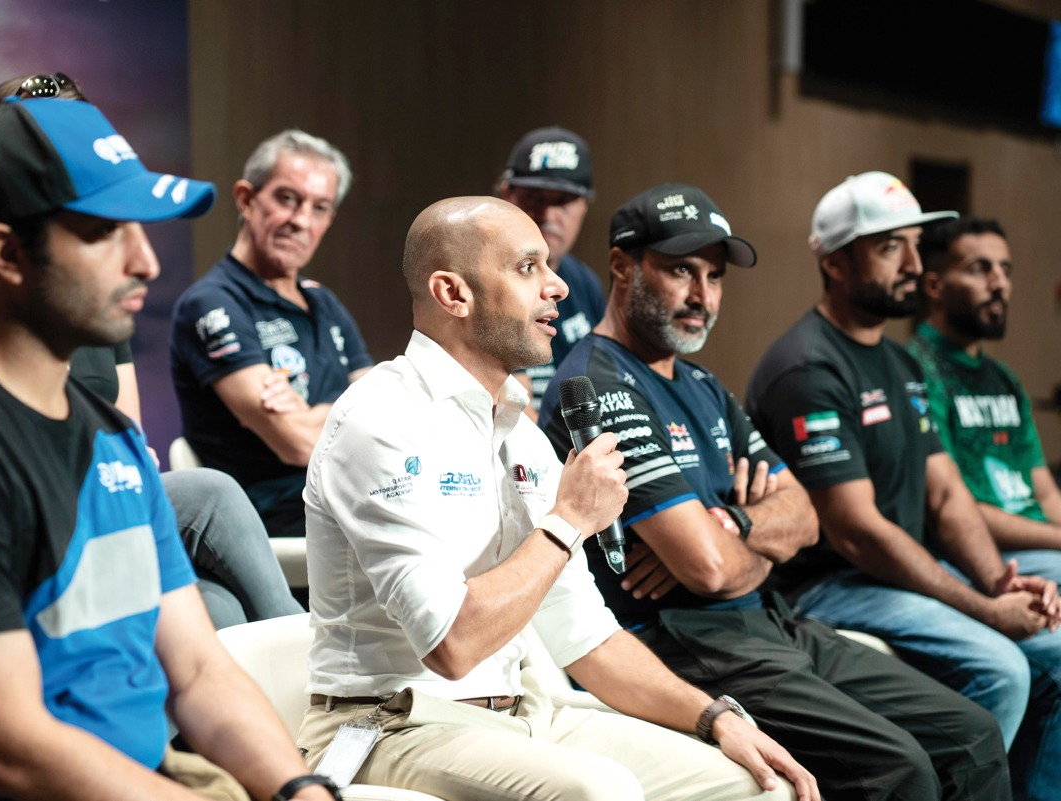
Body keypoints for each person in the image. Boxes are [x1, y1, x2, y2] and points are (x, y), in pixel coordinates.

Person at [0, 97, 337, 801]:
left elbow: (199, 670)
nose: (145, 261)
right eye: (104, 231)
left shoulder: (111, 435)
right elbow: (13, 752)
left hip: (137, 773)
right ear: (5, 252)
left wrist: (301, 787)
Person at [296, 195, 819, 801]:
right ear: (453, 293)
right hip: (391, 722)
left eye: (548, 265)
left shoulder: (521, 436)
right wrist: (568, 520)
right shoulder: (381, 420)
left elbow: (587, 637)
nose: (559, 286)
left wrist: (716, 718)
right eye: (527, 268)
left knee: (753, 783)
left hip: (525, 713)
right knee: (600, 791)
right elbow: (452, 645)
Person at [538, 182, 1010, 800]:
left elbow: (805, 516)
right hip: (681, 638)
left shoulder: (704, 384)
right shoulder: (599, 383)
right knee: (900, 769)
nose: (703, 295)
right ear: (622, 266)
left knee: (973, 735)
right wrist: (753, 535)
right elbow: (707, 569)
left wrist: (735, 523)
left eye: (714, 276)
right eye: (681, 271)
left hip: (769, 618)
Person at [0, 72, 302, 629]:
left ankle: (309, 673)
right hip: (36, 519)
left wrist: (119, 468)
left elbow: (127, 432)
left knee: (219, 609)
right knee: (210, 494)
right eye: (101, 231)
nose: (144, 265)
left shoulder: (93, 299)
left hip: (95, 499)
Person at [746, 171, 1061, 801]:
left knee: (1051, 651)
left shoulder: (900, 363)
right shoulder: (807, 367)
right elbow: (858, 532)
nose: (915, 265)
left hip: (889, 575)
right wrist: (984, 608)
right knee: (1002, 668)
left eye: (916, 246)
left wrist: (999, 580)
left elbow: (947, 495)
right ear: (835, 263)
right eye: (892, 248)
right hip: (828, 585)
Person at [171, 129, 372, 537]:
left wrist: (315, 413)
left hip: (345, 504)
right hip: (272, 524)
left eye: (319, 208)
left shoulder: (323, 302)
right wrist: (351, 410)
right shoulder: (211, 303)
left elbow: (388, 413)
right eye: (287, 199)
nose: (301, 221)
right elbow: (296, 442)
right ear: (246, 199)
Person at [908, 217, 1061, 548]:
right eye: (980, 269)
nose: (999, 284)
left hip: (1042, 544)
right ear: (934, 286)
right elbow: (950, 506)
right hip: (978, 551)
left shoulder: (1003, 378)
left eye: (1005, 270)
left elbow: (1045, 494)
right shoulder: (914, 373)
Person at [497, 126, 605, 418]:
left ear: (584, 206)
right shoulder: (488, 283)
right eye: (535, 198)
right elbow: (514, 414)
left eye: (563, 201)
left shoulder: (584, 283)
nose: (547, 215)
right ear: (507, 196)